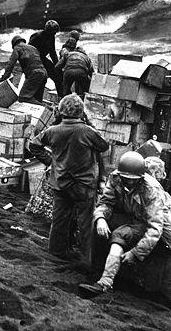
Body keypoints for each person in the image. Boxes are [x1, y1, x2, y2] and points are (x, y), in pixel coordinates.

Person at [79, 151, 171, 297]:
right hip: (130, 215)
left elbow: (156, 228)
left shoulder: (151, 190)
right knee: (97, 224)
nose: (130, 182)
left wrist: (136, 253)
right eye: (126, 179)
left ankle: (105, 283)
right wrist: (100, 218)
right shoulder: (115, 178)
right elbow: (106, 203)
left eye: (134, 179)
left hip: (155, 221)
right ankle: (96, 269)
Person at [29, 93, 109, 268]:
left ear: (61, 111)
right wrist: (89, 123)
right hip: (84, 185)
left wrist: (51, 162)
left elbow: (33, 145)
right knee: (86, 222)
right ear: (81, 112)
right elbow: (104, 146)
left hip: (60, 183)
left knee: (59, 220)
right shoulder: (87, 131)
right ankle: (87, 259)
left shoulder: (53, 131)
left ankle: (56, 252)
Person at [0, 36, 47, 104]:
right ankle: (49, 111)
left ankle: (48, 108)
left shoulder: (17, 48)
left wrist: (2, 78)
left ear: (14, 44)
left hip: (35, 74)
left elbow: (10, 65)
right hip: (44, 72)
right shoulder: (33, 48)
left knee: (24, 97)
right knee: (37, 100)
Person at [29, 19, 62, 96]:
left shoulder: (51, 37)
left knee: (57, 76)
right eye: (53, 32)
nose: (54, 34)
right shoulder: (37, 36)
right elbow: (28, 50)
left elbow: (52, 53)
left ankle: (61, 96)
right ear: (48, 31)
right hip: (34, 59)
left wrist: (57, 66)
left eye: (55, 33)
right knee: (40, 77)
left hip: (43, 58)